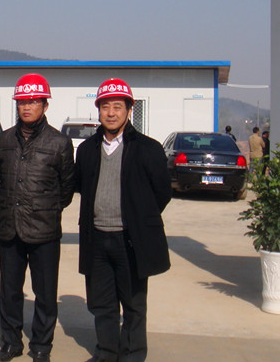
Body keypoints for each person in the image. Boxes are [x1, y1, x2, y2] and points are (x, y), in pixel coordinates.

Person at [74, 78, 171, 362]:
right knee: (102, 304)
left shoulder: (148, 149)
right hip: (96, 238)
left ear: (129, 110)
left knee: (133, 305)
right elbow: (81, 186)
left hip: (130, 240)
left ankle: (132, 355)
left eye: (118, 107)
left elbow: (162, 193)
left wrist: (140, 218)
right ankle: (106, 352)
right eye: (105, 107)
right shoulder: (87, 149)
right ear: (98, 110)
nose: (111, 113)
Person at [0, 74, 76, 362]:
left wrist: (45, 208)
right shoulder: (4, 140)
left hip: (44, 230)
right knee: (10, 291)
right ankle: (11, 343)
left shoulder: (60, 142)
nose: (27, 107)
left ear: (45, 105)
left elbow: (66, 189)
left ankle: (41, 345)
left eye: (33, 102)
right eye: (22, 102)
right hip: (9, 226)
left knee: (45, 292)